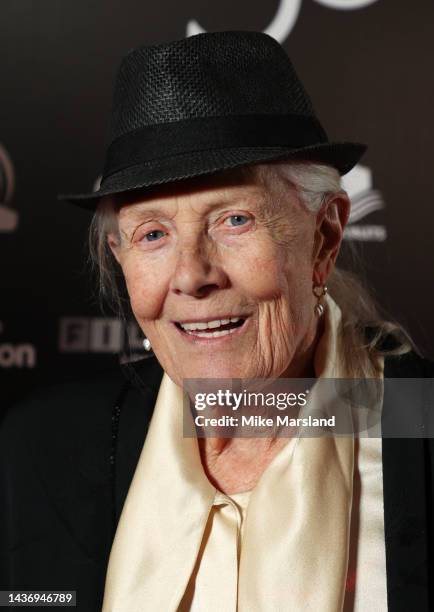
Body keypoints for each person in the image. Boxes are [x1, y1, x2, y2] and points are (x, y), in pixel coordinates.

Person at [1, 31, 433, 612]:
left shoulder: (418, 425)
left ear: (324, 238)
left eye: (234, 220)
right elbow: (34, 598)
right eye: (152, 234)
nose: (191, 275)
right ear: (119, 257)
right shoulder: (45, 446)